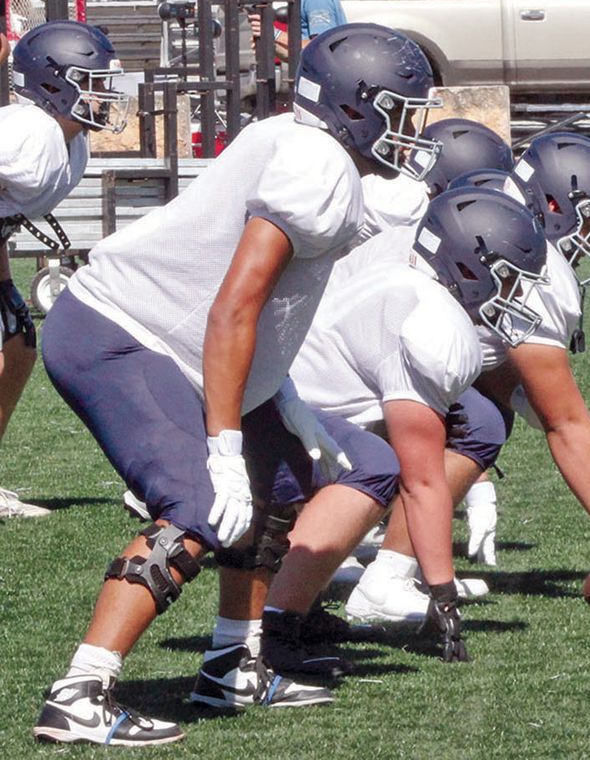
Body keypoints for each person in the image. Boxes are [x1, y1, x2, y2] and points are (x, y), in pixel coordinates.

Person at [32, 22, 442, 746]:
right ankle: (80, 692)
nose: (410, 131)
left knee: (280, 483)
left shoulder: (301, 141)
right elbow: (233, 306)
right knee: (197, 502)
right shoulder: (317, 169)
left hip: (172, 339)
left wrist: (276, 391)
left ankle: (231, 663)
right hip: (123, 331)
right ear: (356, 105)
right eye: (401, 111)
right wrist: (222, 446)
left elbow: (262, 304)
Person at [196, 185, 548, 686]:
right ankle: (276, 629)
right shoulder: (434, 326)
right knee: (375, 467)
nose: (516, 295)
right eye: (508, 279)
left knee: (371, 451)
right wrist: (443, 593)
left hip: (273, 391)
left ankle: (298, 608)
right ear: (469, 267)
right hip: (270, 408)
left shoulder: (409, 279)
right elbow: (422, 481)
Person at [346, 133, 590, 624]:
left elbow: (488, 361)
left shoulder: (480, 198)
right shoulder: (536, 266)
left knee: (479, 408)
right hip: (363, 364)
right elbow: (564, 422)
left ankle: (351, 562)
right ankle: (389, 575)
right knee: (481, 424)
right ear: (555, 204)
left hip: (340, 334)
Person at [0, 21, 129, 520]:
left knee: (16, 340)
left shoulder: (68, 142)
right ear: (56, 84)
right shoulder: (27, 133)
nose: (106, 96)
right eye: (94, 83)